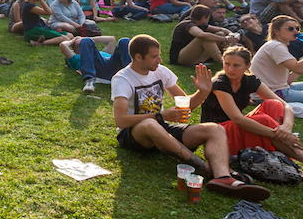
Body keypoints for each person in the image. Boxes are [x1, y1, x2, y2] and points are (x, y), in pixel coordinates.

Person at [111, 33, 270, 200]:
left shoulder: (161, 72)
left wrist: (203, 92)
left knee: (214, 129)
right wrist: (162, 115)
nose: (160, 60)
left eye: (159, 55)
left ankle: (223, 177)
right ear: (138, 57)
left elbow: (187, 105)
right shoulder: (122, 79)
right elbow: (120, 120)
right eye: (154, 56)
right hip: (133, 134)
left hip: (161, 129)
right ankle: (206, 169)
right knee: (150, 124)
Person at [198, 46, 303, 186]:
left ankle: (281, 152)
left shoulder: (249, 79)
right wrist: (278, 133)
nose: (230, 69)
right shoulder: (219, 83)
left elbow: (284, 105)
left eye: (236, 65)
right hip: (219, 136)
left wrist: (286, 127)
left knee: (273, 105)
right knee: (263, 120)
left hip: (237, 129)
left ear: (248, 66)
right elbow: (238, 119)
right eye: (227, 64)